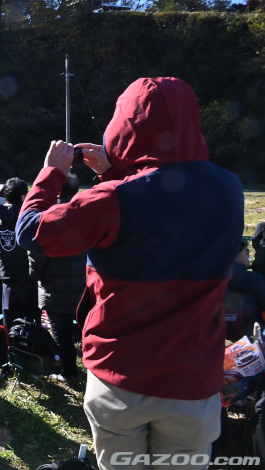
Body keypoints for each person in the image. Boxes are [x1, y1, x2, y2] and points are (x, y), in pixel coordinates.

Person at [16, 77, 243, 469]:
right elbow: (164, 211)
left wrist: (52, 173)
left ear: (124, 126)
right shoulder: (229, 189)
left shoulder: (112, 198)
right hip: (193, 377)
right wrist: (115, 173)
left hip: (120, 373)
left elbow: (31, 232)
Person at [28, 173, 86, 386]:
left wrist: (36, 275)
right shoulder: (88, 213)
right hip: (83, 286)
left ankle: (70, 373)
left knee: (60, 333)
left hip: (54, 287)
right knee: (87, 330)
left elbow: (37, 253)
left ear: (58, 190)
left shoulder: (47, 215)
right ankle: (95, 369)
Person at [0, 177, 36, 330]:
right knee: (30, 321)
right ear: (23, 196)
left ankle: (10, 349)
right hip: (29, 276)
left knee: (9, 319)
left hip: (6, 275)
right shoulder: (29, 218)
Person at [224, 241, 265, 342]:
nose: (248, 255)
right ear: (235, 256)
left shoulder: (216, 277)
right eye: (245, 252)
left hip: (224, 330)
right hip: (252, 330)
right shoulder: (252, 279)